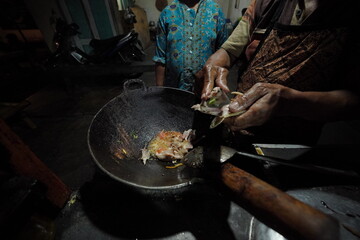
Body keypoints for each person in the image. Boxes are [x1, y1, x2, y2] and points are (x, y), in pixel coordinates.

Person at [196, 0, 360, 145]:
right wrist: (218, 62)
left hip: (290, 144)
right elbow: (230, 50)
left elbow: (353, 102)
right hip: (236, 133)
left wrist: (289, 102)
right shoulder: (267, 2)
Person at [153, 0, 228, 91]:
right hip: (174, 89)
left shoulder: (215, 11)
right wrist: (159, 91)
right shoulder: (167, 13)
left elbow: (224, 51)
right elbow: (160, 58)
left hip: (206, 89)